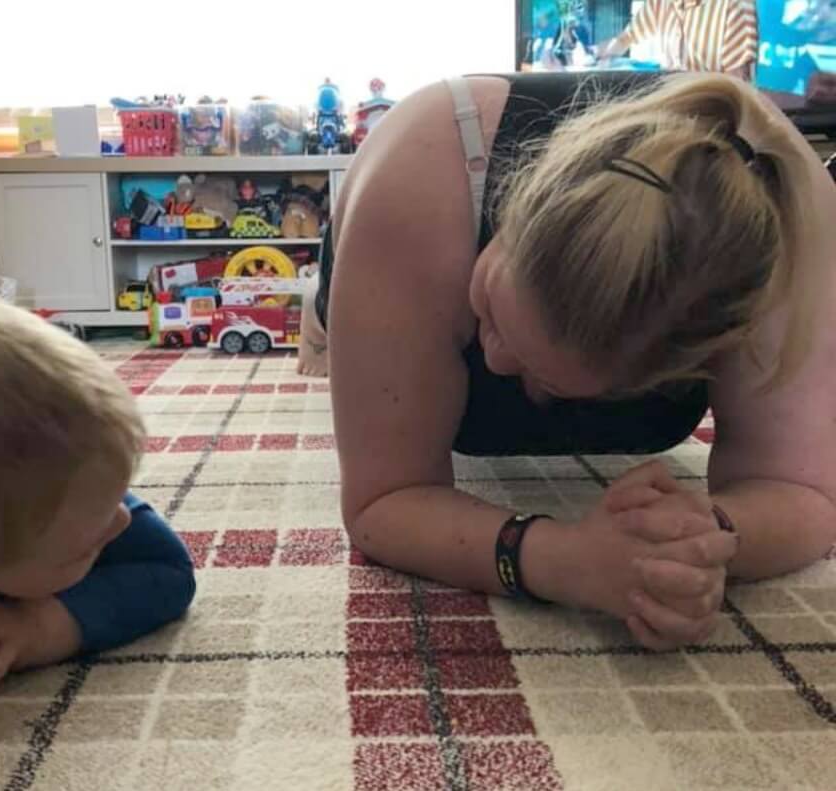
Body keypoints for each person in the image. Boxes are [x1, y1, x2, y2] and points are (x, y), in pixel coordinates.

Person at [302, 70, 836, 650]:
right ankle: (328, 312)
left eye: (547, 380)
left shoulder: (780, 215)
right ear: (512, 208)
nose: (494, 361)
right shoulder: (418, 188)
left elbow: (803, 494)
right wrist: (563, 561)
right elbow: (382, 503)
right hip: (393, 240)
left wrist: (697, 544)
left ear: (694, 364)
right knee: (357, 341)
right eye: (489, 307)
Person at [0, 291, 196, 695]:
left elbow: (167, 570)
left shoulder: (71, 491)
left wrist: (37, 626)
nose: (122, 520)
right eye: (79, 552)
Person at [598, 0, 759, 80]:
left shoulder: (734, 6)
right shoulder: (661, 3)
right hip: (668, 108)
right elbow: (625, 39)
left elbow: (736, 89)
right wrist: (596, 53)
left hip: (711, 120)